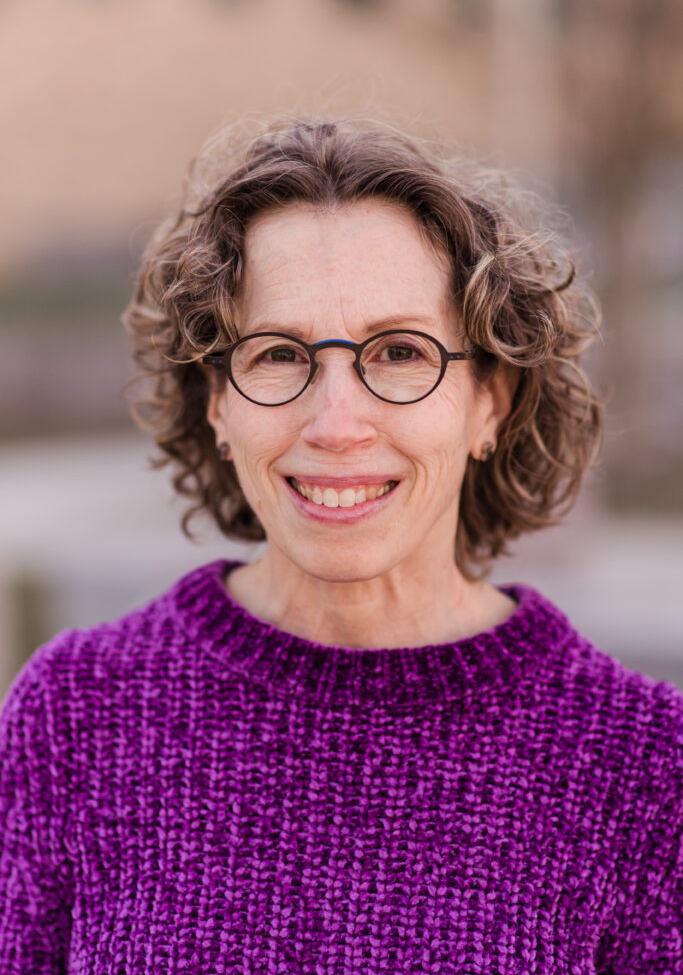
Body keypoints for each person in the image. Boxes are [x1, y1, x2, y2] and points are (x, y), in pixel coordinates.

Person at [1, 118, 681, 974]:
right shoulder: (74, 717)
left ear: (491, 399)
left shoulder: (642, 767)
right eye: (281, 354)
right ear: (216, 399)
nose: (335, 425)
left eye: (398, 352)